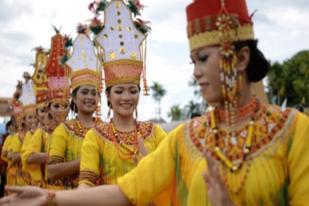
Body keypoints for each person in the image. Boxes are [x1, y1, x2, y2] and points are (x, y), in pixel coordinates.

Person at [2, 0, 309, 205]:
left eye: (203, 59)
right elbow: (126, 190)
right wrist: (52, 198)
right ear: (108, 97)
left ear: (241, 58)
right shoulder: (188, 138)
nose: (196, 72)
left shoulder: (294, 132)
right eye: (192, 61)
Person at [78, 4, 167, 204]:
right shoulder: (96, 137)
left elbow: (174, 173)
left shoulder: (155, 133)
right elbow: (86, 183)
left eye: (133, 90)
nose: (126, 97)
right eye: (119, 91)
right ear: (108, 96)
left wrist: (149, 166)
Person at [47, 25, 103, 190]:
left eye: (94, 93)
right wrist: (87, 160)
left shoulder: (105, 128)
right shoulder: (64, 130)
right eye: (85, 92)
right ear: (74, 98)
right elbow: (51, 171)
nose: (90, 97)